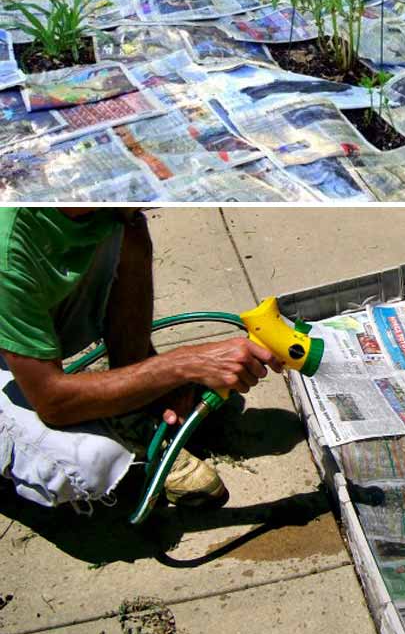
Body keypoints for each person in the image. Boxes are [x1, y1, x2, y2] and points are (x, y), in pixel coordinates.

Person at [0, 207, 280, 513]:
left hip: (15, 296)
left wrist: (147, 382)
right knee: (93, 462)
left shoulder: (97, 200)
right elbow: (52, 401)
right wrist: (178, 365)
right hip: (37, 372)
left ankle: (132, 414)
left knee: (128, 229)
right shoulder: (8, 246)